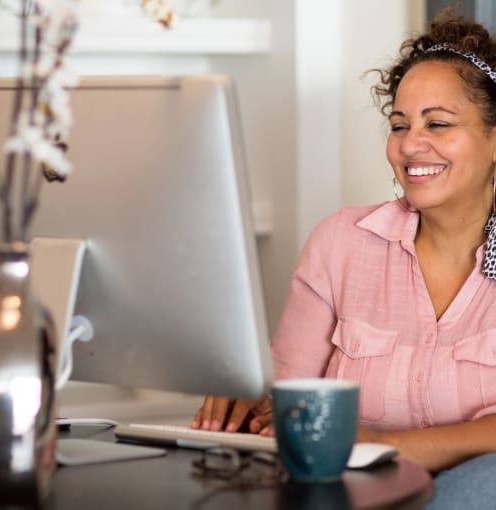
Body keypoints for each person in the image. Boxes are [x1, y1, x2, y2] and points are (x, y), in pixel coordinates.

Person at [192, 11, 496, 508]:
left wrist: (391, 444)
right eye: (399, 126)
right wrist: (253, 400)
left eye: (437, 124)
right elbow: (291, 402)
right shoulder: (342, 244)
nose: (410, 145)